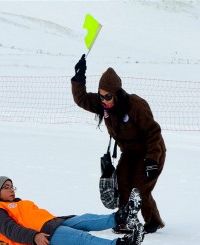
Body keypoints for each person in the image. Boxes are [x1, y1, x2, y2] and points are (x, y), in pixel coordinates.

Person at [71, 54, 166, 234]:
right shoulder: (103, 105)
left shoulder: (136, 106)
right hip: (128, 152)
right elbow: (81, 99)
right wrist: (79, 78)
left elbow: (153, 133)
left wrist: (152, 159)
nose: (104, 101)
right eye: (101, 97)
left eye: (107, 96)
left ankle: (152, 221)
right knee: (122, 184)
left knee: (139, 187)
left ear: (116, 93)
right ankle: (124, 221)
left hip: (149, 151)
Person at [0, 176, 145, 245]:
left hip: (52, 223)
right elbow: (12, 231)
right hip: (43, 236)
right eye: (6, 188)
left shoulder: (17, 203)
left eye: (12, 186)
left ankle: (123, 216)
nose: (12, 190)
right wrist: (34, 237)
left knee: (84, 219)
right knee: (80, 237)